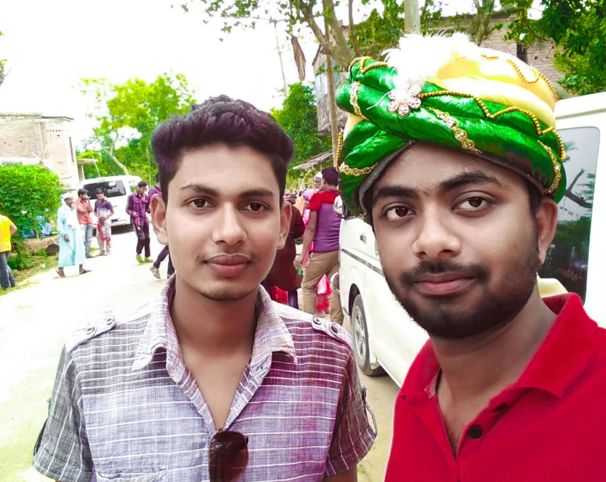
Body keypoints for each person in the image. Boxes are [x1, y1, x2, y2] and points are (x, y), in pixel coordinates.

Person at [335, 33, 606, 482]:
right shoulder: (419, 389)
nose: (432, 241)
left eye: (473, 202)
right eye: (399, 211)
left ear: (542, 227)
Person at [33, 95, 374, 481]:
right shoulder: (89, 363)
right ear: (161, 219)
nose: (229, 233)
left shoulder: (330, 358)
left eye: (254, 206)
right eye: (200, 202)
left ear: (282, 224)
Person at [295, 167, 344, 324]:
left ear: (324, 180)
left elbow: (311, 228)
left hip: (322, 251)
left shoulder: (318, 198)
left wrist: (302, 255)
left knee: (307, 286)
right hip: (338, 251)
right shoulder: (342, 198)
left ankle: (311, 324)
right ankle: (337, 325)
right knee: (336, 287)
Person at [262, 193, 305, 308]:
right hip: (287, 250)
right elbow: (299, 232)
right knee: (291, 284)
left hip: (267, 250)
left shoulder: (263, 209)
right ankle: (294, 309)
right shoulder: (293, 211)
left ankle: (268, 309)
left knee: (265, 282)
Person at [56, 193, 89, 277]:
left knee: (79, 249)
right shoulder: (62, 210)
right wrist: (64, 234)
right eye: (69, 199)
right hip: (67, 233)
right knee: (67, 251)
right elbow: (59, 223)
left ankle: (81, 268)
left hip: (76, 232)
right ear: (65, 201)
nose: (71, 201)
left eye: (72, 199)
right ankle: (60, 270)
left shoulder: (73, 208)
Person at [148, 176, 174, 278]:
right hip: (163, 221)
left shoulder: (164, 189)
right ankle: (168, 272)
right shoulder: (154, 192)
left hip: (170, 219)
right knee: (171, 246)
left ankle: (159, 267)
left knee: (170, 246)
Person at [126, 180, 152, 263]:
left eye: (145, 189)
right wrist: (132, 213)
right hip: (136, 221)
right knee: (141, 238)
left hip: (145, 220)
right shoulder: (131, 197)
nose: (144, 190)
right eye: (143, 189)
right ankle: (138, 253)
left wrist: (152, 210)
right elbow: (127, 209)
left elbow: (147, 209)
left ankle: (147, 256)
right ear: (138, 187)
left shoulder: (146, 197)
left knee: (147, 238)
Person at [74, 187, 94, 258]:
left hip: (89, 221)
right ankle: (81, 254)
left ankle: (87, 253)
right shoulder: (76, 202)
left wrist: (88, 201)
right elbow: (81, 210)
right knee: (82, 239)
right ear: (80, 195)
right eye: (85, 194)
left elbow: (91, 210)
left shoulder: (86, 201)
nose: (86, 196)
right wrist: (86, 206)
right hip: (82, 223)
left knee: (89, 239)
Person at [94, 188, 114, 255]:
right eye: (98, 196)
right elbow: (95, 212)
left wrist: (106, 217)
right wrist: (98, 216)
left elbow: (112, 212)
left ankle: (108, 250)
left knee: (107, 234)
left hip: (106, 221)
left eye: (100, 196)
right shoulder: (96, 202)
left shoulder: (107, 202)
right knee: (98, 235)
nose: (99, 197)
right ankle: (102, 250)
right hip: (99, 221)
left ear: (103, 194)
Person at [0, 213, 17, 289]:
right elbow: (14, 228)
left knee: (2, 267)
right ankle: (12, 282)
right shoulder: (5, 218)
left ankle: (6, 286)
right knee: (4, 265)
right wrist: (7, 236)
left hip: (1, 247)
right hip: (7, 245)